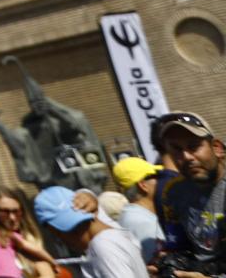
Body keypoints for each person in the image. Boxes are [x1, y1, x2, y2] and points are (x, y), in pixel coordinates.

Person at [152, 111, 224, 278]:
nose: (186, 157)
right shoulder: (173, 191)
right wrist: (168, 264)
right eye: (176, 150)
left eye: (193, 146)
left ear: (217, 148)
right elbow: (178, 247)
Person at [31, 186, 148, 278]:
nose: (60, 239)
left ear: (56, 231)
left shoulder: (102, 246)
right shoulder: (110, 233)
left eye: (57, 233)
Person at [0, 187, 58, 278]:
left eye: (16, 211)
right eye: (5, 212)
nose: (12, 218)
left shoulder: (30, 241)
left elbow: (47, 274)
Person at [108, 157, 165, 262]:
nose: (161, 180)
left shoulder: (132, 216)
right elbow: (160, 266)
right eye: (156, 176)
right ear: (143, 185)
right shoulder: (142, 222)